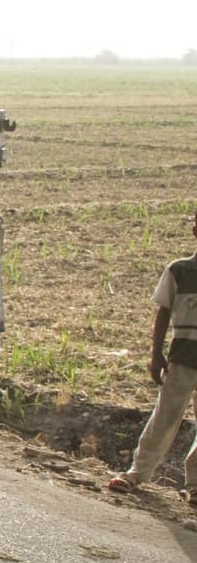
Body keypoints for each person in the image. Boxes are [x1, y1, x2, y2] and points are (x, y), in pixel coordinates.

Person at [107, 208, 197, 505]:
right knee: (166, 416)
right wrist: (156, 354)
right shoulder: (180, 270)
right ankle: (136, 473)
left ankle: (195, 486)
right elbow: (163, 312)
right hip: (183, 357)